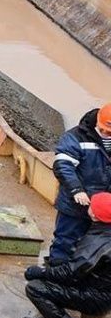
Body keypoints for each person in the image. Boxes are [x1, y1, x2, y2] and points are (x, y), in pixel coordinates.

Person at [23, 192, 111, 318]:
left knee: (35, 288)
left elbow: (71, 273)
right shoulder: (102, 231)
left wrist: (40, 272)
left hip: (97, 297)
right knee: (52, 275)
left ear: (96, 214)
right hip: (97, 287)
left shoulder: (98, 243)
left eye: (92, 205)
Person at [46, 104, 111, 265]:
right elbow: (63, 165)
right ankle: (56, 270)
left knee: (93, 246)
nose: (105, 133)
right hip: (75, 204)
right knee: (65, 241)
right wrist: (76, 190)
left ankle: (78, 274)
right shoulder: (75, 138)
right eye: (103, 129)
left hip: (103, 209)